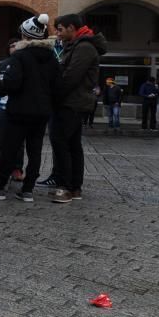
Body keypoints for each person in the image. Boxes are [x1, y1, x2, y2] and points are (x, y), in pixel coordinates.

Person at [0, 14, 58, 202]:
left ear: (26, 36)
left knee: (10, 148)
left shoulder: (20, 56)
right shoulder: (52, 58)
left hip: (19, 110)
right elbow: (57, 86)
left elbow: (12, 83)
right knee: (35, 150)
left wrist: (0, 84)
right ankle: (28, 190)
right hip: (42, 112)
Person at [51, 14, 107, 204]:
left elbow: (70, 77)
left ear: (71, 28)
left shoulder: (83, 47)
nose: (57, 33)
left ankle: (65, 187)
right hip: (73, 102)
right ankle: (74, 187)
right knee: (72, 145)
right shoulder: (78, 45)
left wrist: (54, 96)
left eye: (60, 29)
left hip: (71, 103)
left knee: (62, 143)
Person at [0, 39, 24, 182]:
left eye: (17, 44)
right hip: (1, 107)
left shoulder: (24, 65)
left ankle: (17, 168)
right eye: (11, 45)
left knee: (19, 141)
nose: (14, 47)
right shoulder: (0, 65)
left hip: (18, 107)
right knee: (0, 140)